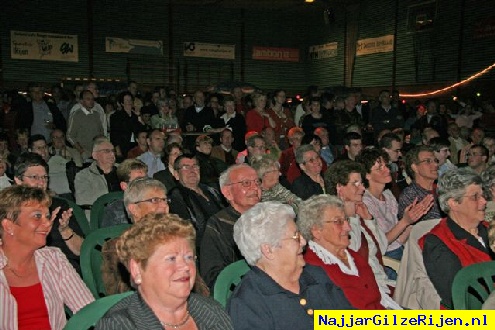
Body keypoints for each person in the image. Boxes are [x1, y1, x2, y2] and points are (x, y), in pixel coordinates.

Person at [227, 202, 353, 330]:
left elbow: (350, 322)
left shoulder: (313, 276)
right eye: (296, 236)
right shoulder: (248, 304)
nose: (303, 241)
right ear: (268, 250)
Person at [96, 214, 233, 330]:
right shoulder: (118, 325)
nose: (185, 266)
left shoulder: (212, 310)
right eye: (171, 259)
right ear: (136, 269)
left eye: (189, 257)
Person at [0, 186, 94, 329]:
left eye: (48, 216)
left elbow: (89, 311)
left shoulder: (53, 259)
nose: (48, 223)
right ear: (8, 226)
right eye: (37, 216)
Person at [298, 195, 401, 309]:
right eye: (338, 222)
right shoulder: (311, 270)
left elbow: (378, 300)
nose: (348, 227)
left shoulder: (354, 256)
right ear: (316, 231)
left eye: (346, 219)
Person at [420, 168, 495, 309]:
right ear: (453, 203)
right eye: (475, 197)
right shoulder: (438, 243)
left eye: (483, 195)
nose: (484, 201)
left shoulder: (489, 228)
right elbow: (461, 297)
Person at [14, 152, 86, 274]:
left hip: (66, 269)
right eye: (34, 177)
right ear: (18, 180)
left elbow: (82, 251)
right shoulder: (9, 209)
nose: (41, 182)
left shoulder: (58, 206)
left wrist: (65, 230)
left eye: (44, 177)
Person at [358, 149, 434, 262]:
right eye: (380, 168)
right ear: (367, 175)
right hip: (386, 256)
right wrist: (406, 221)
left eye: (386, 165)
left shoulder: (388, 195)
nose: (387, 170)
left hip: (401, 248)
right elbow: (382, 242)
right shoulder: (365, 202)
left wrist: (415, 218)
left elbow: (400, 238)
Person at [200, 164, 261, 290]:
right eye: (246, 183)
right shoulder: (218, 225)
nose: (255, 187)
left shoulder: (270, 216)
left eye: (257, 182)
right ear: (227, 192)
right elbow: (213, 276)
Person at [168, 154, 226, 249]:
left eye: (195, 166)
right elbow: (187, 232)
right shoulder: (175, 198)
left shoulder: (211, 190)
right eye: (186, 167)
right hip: (202, 248)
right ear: (176, 174)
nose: (192, 170)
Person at [74, 137, 120, 211]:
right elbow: (83, 201)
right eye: (106, 151)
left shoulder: (124, 170)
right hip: (99, 214)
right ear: (95, 155)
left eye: (113, 151)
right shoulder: (83, 176)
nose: (112, 154)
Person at [398, 146, 442, 221]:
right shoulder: (410, 195)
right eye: (428, 161)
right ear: (415, 167)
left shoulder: (443, 189)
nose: (435, 165)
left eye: (435, 160)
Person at [100, 159, 148, 228]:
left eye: (146, 180)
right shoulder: (115, 211)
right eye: (138, 181)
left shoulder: (156, 203)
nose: (145, 184)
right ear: (124, 186)